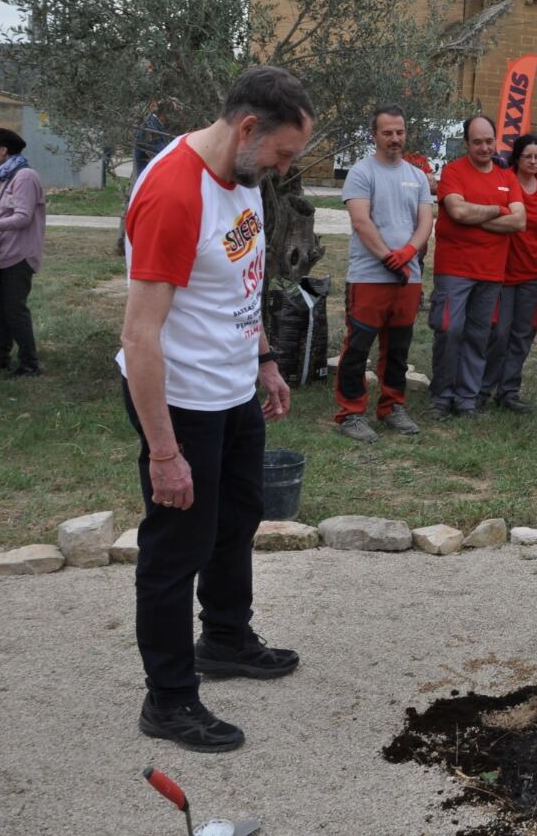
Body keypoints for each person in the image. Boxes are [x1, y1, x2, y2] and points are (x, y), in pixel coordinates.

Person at [117, 66, 311, 752]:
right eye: (286, 154)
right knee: (177, 548)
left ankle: (225, 636)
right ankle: (168, 698)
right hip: (181, 398)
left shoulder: (248, 179)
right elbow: (139, 336)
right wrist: (165, 452)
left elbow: (243, 280)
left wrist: (263, 359)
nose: (287, 169)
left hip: (233, 386)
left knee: (239, 516)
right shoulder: (175, 193)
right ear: (249, 128)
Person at [335, 104, 434, 441]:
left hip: (409, 277)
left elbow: (425, 221)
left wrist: (408, 253)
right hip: (368, 276)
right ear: (374, 135)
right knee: (358, 346)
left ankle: (392, 407)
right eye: (387, 133)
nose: (395, 138)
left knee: (398, 348)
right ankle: (350, 413)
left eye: (400, 132)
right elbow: (361, 221)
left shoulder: (418, 176)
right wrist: (387, 257)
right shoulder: (362, 173)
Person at [428, 115, 526, 420]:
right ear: (467, 143)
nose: (484, 147)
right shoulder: (453, 172)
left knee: (479, 335)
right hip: (454, 268)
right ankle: (442, 396)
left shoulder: (507, 177)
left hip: (491, 271)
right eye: (477, 142)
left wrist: (476, 218)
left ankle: (466, 399)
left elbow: (519, 221)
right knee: (449, 330)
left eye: (488, 141)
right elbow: (457, 211)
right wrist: (499, 210)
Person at [480, 133, 537, 414]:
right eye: (527, 156)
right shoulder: (504, 181)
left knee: (523, 332)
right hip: (503, 271)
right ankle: (484, 387)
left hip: (534, 273)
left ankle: (509, 391)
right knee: (499, 333)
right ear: (516, 157)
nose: (532, 161)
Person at [0, 128, 46, 378]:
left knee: (14, 309)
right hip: (5, 254)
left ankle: (30, 363)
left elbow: (22, 217)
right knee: (3, 309)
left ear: (3, 150)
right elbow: (5, 212)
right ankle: (0, 358)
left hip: (19, 255)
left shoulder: (25, 177)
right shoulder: (9, 176)